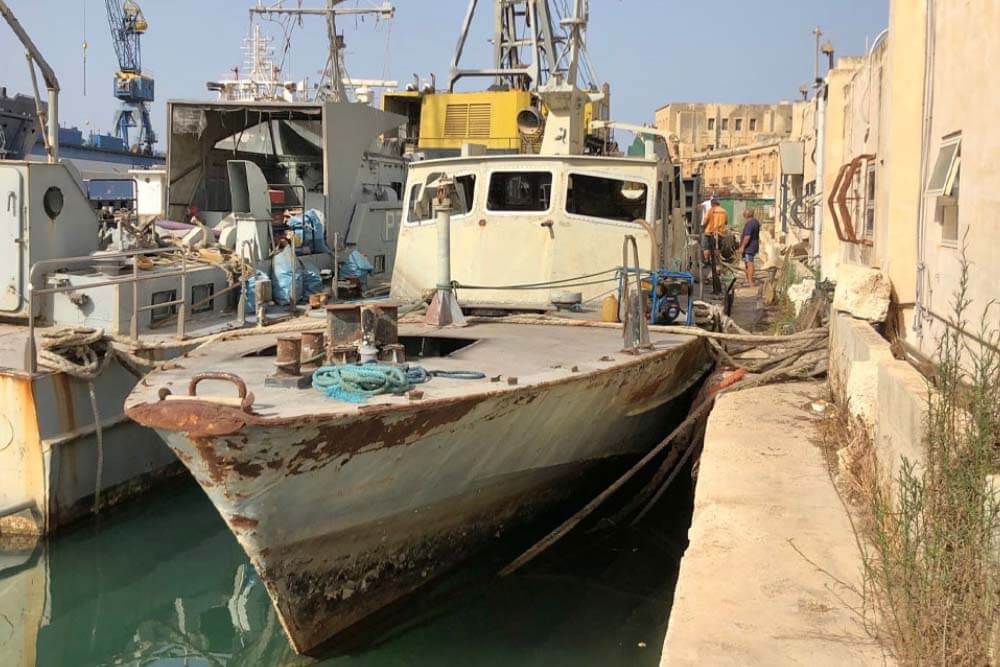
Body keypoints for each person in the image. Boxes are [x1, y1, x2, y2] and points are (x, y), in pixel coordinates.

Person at [738, 208, 762, 285]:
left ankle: (751, 281)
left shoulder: (750, 223)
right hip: (752, 246)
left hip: (749, 247)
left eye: (744, 213)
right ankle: (748, 279)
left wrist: (742, 247)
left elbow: (747, 237)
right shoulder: (755, 222)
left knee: (749, 263)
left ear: (747, 214)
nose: (743, 214)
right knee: (747, 263)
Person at [701, 197, 728, 264]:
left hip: (709, 232)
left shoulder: (710, 210)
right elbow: (726, 222)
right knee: (717, 248)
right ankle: (717, 262)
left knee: (706, 247)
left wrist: (703, 227)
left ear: (712, 204)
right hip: (720, 233)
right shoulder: (724, 211)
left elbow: (705, 221)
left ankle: (707, 260)